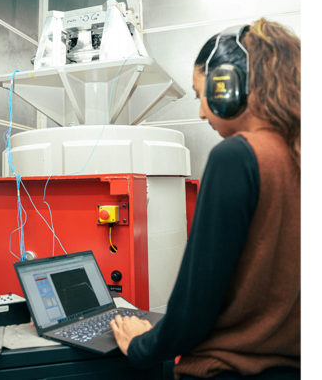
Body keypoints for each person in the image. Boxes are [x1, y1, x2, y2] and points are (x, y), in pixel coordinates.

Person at [109, 19, 303, 380]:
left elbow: (194, 307)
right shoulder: (295, 155)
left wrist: (140, 345)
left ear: (228, 86)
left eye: (201, 95)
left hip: (226, 370)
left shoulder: (238, 156)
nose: (201, 112)